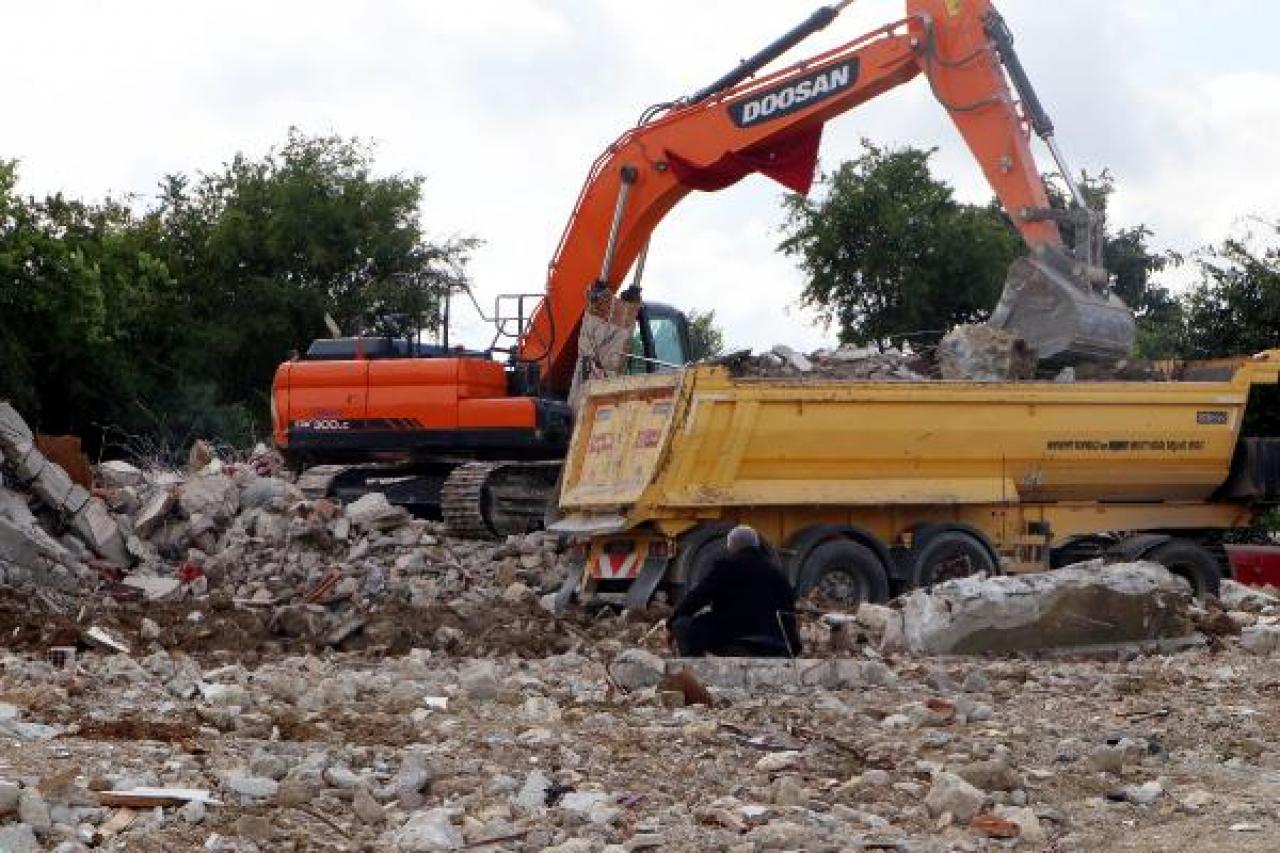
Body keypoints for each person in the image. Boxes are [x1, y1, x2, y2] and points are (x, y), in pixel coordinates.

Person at [667, 525, 802, 657]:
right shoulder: (777, 572)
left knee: (683, 625)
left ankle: (695, 671)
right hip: (781, 644)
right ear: (756, 544)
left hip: (742, 639)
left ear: (731, 546)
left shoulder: (727, 567)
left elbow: (697, 598)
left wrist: (672, 622)